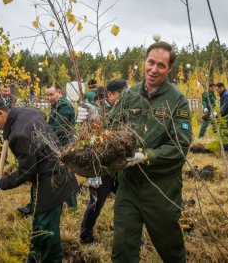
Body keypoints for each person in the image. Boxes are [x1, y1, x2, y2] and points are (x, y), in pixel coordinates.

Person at [109, 41, 192, 262]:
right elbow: (111, 129)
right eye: (151, 62)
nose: (154, 69)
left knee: (171, 250)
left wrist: (146, 156)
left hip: (160, 189)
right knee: (122, 249)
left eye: (161, 66)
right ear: (144, 62)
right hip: (128, 185)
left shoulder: (177, 101)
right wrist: (94, 121)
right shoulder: (129, 95)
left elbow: (180, 147)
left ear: (169, 69)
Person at [0, 96, 78, 262]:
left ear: (0, 113)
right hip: (52, 172)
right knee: (44, 225)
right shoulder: (26, 111)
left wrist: (2, 183)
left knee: (44, 228)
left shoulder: (20, 134)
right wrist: (5, 134)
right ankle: (44, 259)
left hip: (52, 179)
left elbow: (27, 171)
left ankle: (43, 259)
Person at [78, 79, 127, 244]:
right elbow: (85, 140)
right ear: (111, 94)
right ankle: (86, 234)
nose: (126, 97)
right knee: (95, 203)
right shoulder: (99, 110)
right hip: (102, 168)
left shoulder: (126, 109)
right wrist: (93, 171)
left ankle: (125, 234)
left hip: (121, 167)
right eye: (122, 94)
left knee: (126, 204)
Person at [18, 82, 76, 216]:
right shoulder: (57, 106)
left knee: (43, 176)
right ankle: (71, 205)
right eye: (47, 95)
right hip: (59, 146)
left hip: (60, 146)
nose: (49, 97)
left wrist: (39, 132)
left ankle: (35, 207)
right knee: (66, 176)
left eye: (51, 94)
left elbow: (58, 129)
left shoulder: (64, 107)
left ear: (59, 93)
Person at [215, 82, 228, 151]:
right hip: (227, 117)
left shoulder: (226, 95)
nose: (217, 91)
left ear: (222, 87)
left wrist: (216, 115)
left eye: (217, 89)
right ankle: (227, 148)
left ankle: (227, 149)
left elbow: (224, 107)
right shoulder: (225, 94)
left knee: (227, 133)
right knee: (227, 133)